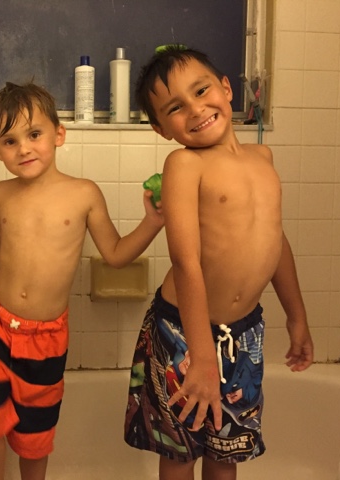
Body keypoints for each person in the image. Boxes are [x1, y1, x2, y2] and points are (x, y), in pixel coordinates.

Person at [123, 45, 314, 480]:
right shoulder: (184, 164)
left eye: (201, 90)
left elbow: (276, 242)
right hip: (182, 335)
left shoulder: (263, 158)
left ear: (227, 89)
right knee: (180, 452)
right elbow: (185, 260)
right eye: (175, 107)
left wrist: (297, 316)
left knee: (227, 452)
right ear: (161, 129)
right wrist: (202, 356)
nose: (195, 109)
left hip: (243, 334)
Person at [0, 82, 164, 480]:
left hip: (46, 335)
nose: (24, 148)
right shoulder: (0, 193)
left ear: (59, 134)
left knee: (35, 433)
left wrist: (153, 222)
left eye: (34, 134)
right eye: (10, 141)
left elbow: (115, 254)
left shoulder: (83, 193)